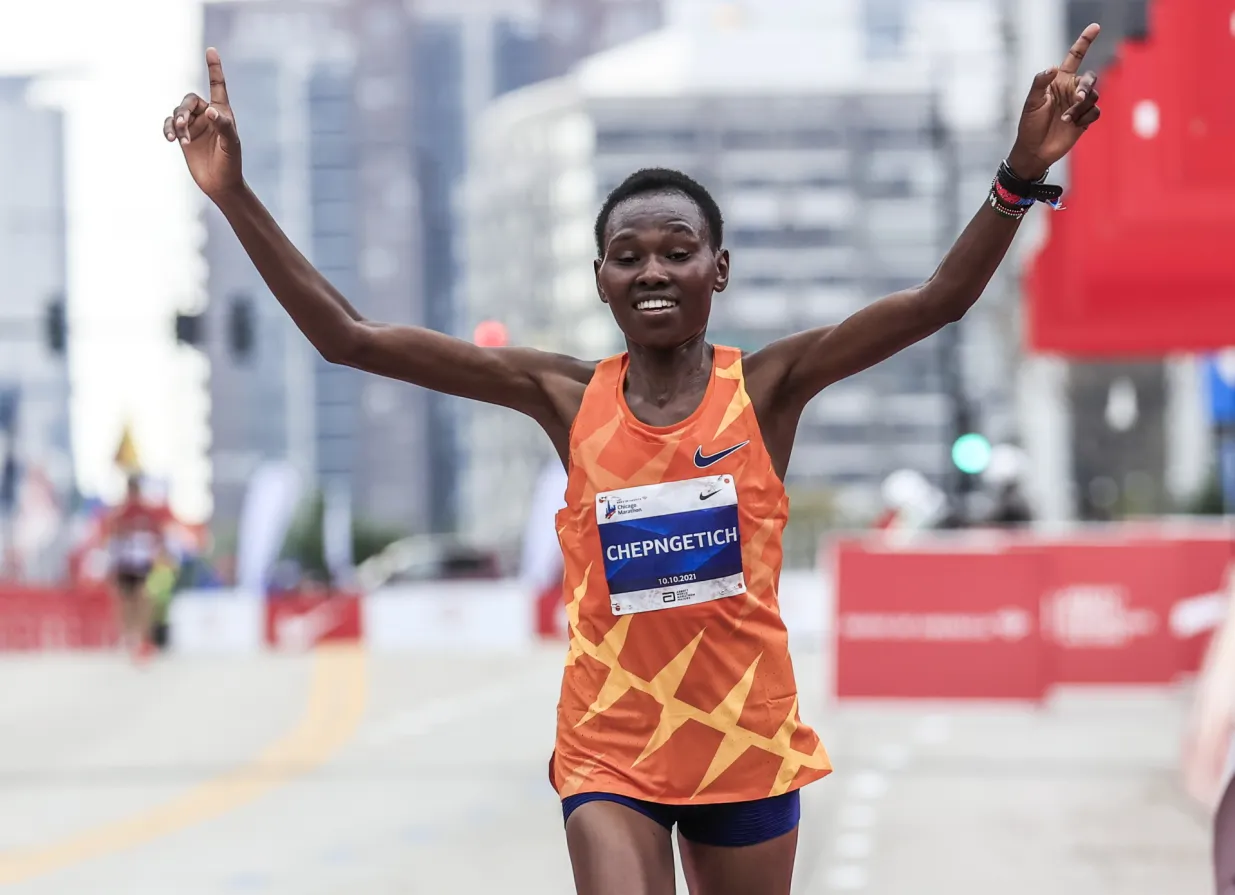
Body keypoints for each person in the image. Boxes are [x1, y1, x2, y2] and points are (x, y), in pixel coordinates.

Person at [165, 26, 1103, 894]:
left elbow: (937, 299)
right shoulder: (564, 397)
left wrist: (1019, 173)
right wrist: (233, 194)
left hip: (742, 737)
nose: (651, 270)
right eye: (627, 254)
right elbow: (352, 338)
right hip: (608, 744)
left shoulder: (770, 387)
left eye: (676, 250)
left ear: (718, 270)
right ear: (601, 279)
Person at [103, 474, 173, 660]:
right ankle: (128, 636)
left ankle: (142, 637)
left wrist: (162, 557)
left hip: (142, 564)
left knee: (142, 599)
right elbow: (112, 541)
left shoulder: (147, 514)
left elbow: (159, 538)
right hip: (125, 564)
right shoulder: (120, 514)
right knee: (127, 602)